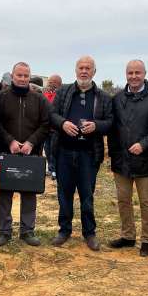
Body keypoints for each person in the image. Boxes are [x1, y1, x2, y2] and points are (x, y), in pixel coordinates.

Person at [50, 56, 113, 251]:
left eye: (88, 68)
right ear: (75, 70)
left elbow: (111, 122)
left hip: (88, 154)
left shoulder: (103, 97)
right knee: (64, 193)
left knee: (87, 195)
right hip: (64, 152)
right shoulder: (64, 91)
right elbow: (51, 115)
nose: (84, 71)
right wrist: (63, 123)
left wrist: (96, 126)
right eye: (81, 68)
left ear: (94, 72)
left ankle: (89, 232)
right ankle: (64, 230)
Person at [108, 60, 148, 257]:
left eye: (137, 73)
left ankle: (146, 240)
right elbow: (111, 126)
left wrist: (144, 144)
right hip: (121, 160)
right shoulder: (117, 98)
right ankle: (127, 235)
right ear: (126, 74)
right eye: (130, 73)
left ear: (144, 73)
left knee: (147, 202)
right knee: (123, 200)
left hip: (144, 159)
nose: (134, 76)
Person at [0, 62, 50, 247]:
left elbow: (46, 124)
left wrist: (31, 142)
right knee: (5, 192)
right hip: (6, 152)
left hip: (30, 154)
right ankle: (4, 231)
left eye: (26, 76)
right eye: (19, 75)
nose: (23, 79)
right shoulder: (0, 97)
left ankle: (27, 230)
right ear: (12, 75)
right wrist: (9, 140)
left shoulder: (39, 99)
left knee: (29, 192)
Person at [43, 74, 62, 180]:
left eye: (52, 82)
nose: (50, 83)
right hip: (46, 128)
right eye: (49, 81)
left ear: (58, 83)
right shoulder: (45, 94)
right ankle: (50, 169)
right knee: (47, 149)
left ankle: (54, 169)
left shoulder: (60, 95)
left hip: (56, 129)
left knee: (54, 150)